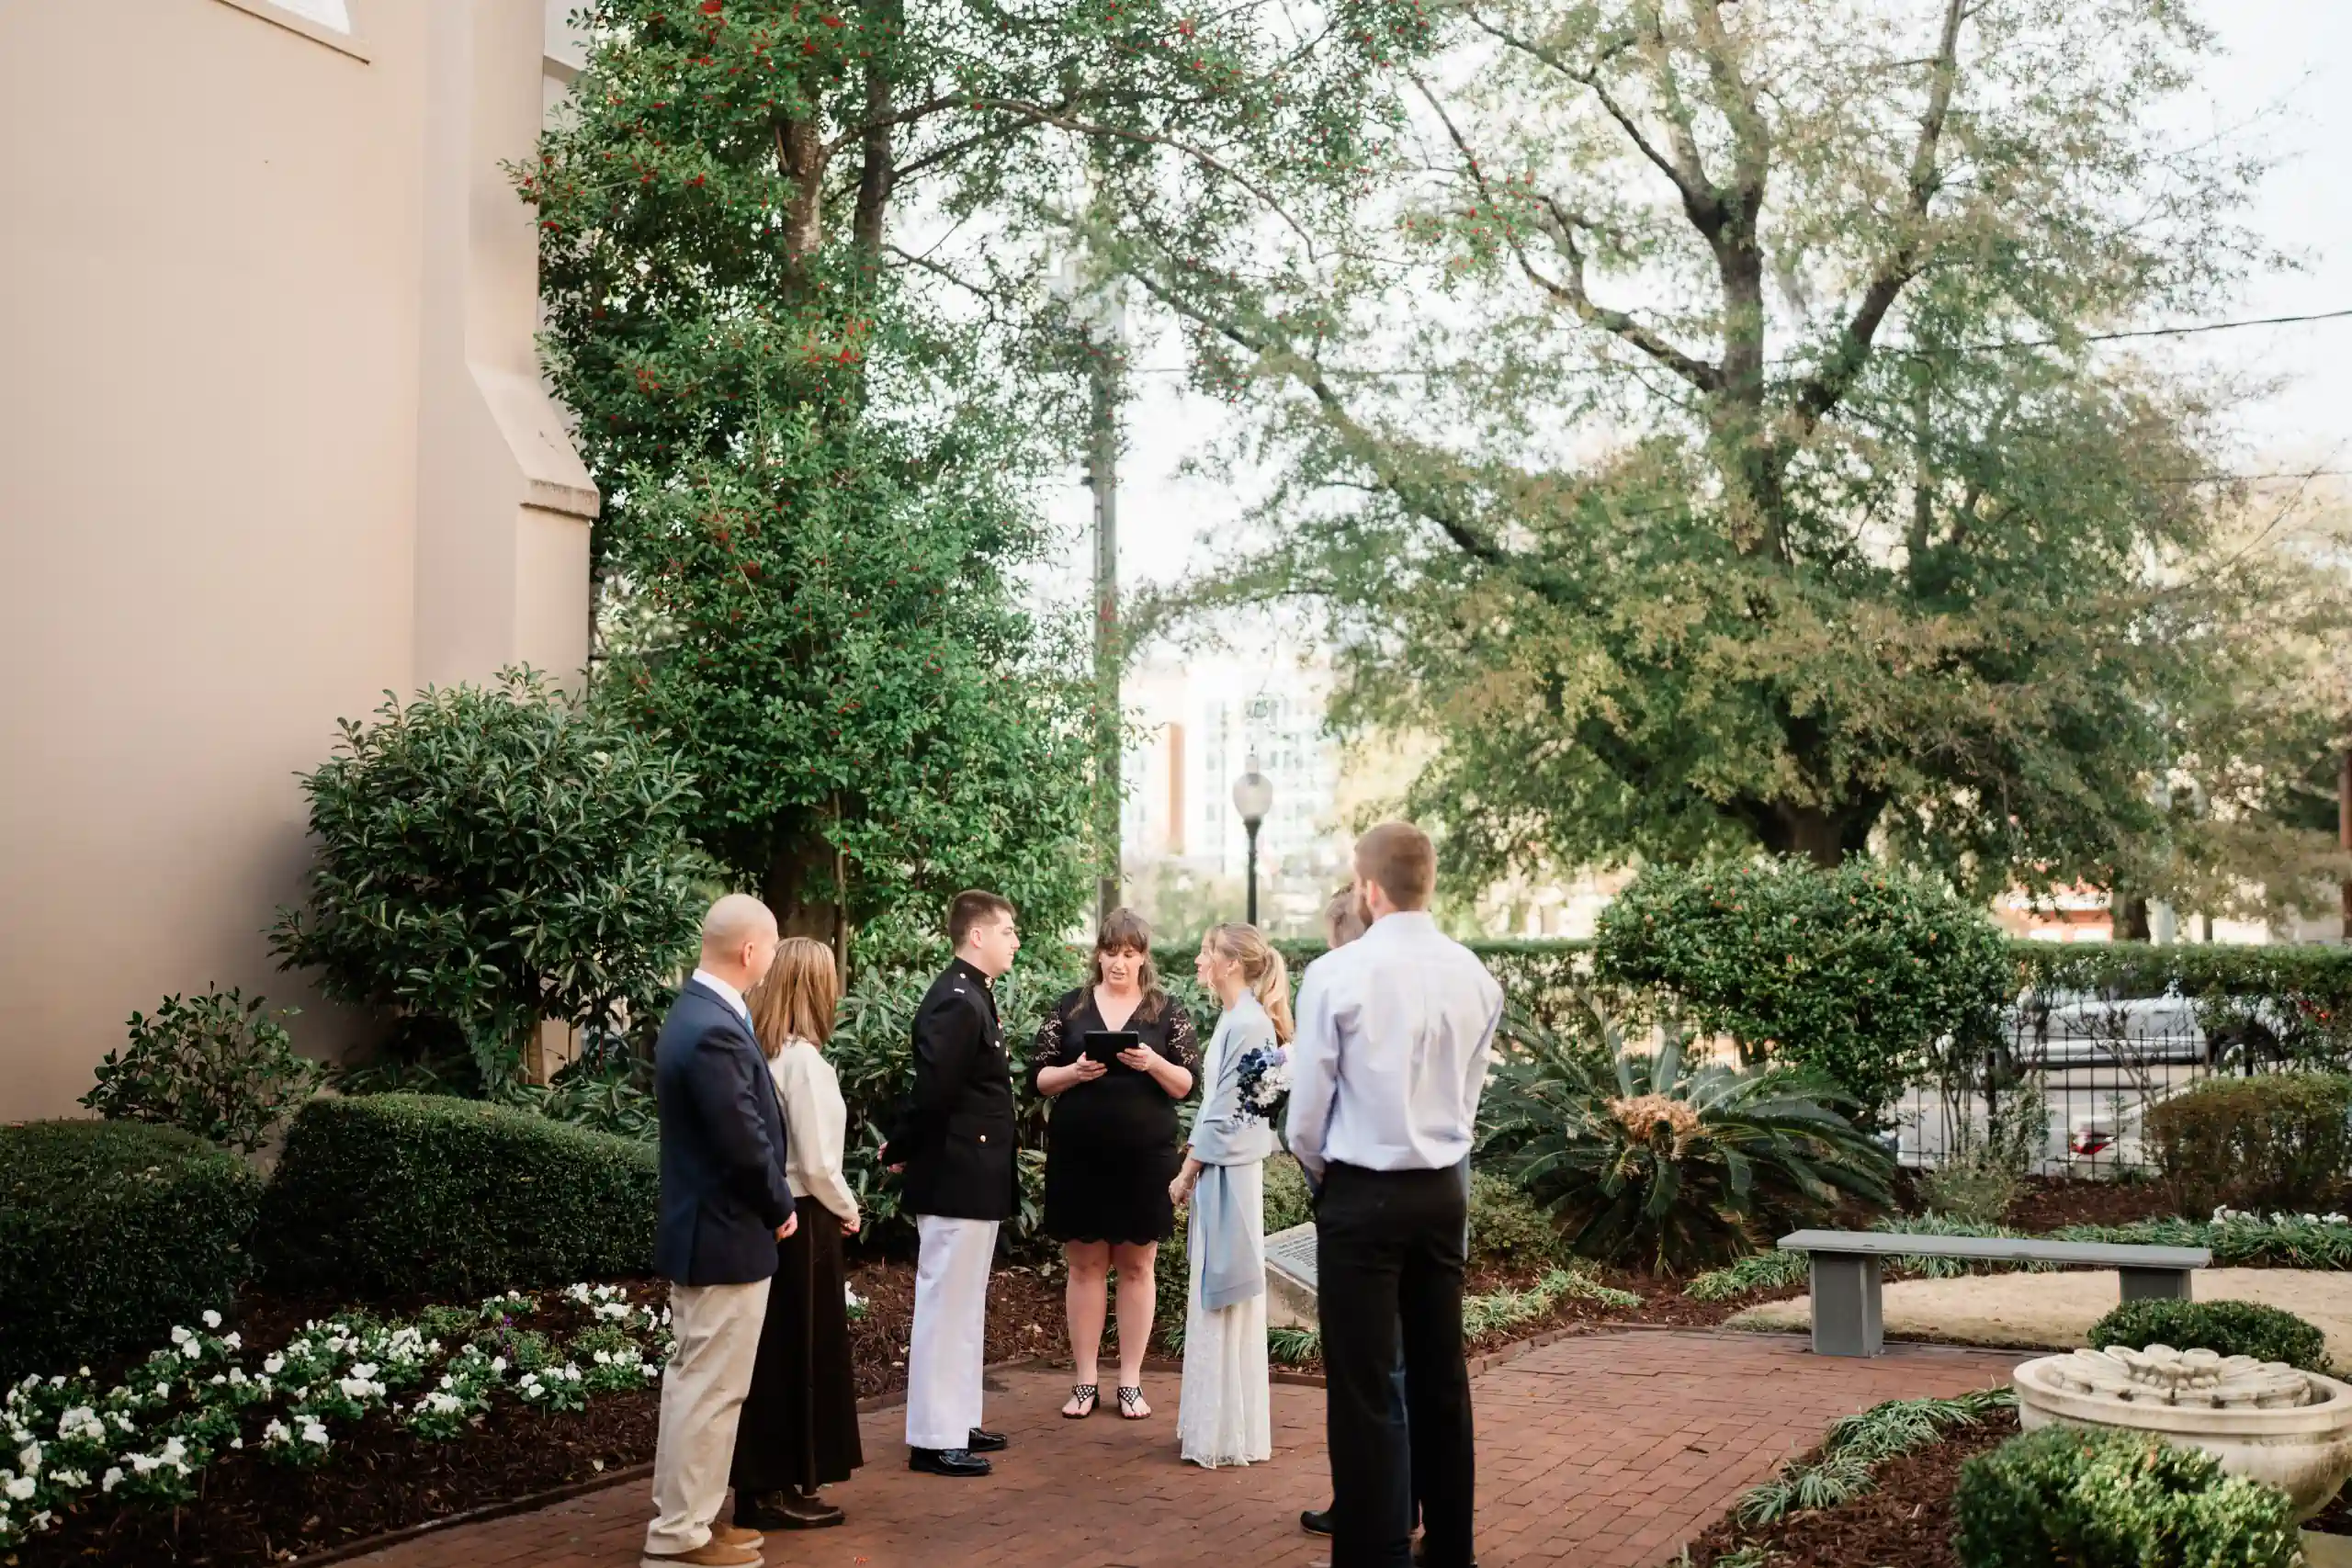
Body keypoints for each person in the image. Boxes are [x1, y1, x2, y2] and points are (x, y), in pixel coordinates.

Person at [1288, 824, 1503, 1568]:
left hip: (1361, 1191)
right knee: (1442, 1377)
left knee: (1365, 1387)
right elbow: (1469, 1098)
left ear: (1369, 888)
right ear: (1427, 882)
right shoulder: (1475, 974)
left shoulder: (1337, 974)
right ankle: (1451, 1553)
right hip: (1442, 1190)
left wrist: (1326, 1177)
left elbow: (1306, 1116)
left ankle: (1376, 1556)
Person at [643, 895, 797, 1568]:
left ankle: (692, 1520)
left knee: (700, 1387)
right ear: (750, 951)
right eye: (772, 945)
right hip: (723, 1235)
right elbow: (743, 1139)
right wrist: (779, 1204)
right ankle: (679, 1535)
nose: (773, 957)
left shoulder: (698, 1013)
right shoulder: (713, 1027)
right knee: (709, 1390)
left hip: (711, 1231)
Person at [1028, 907, 1199, 1421]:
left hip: (1144, 1159)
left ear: (1143, 957)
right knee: (1084, 1266)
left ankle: (1129, 1381)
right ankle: (1085, 1381)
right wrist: (1074, 1073)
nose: (1118, 962)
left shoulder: (1166, 1011)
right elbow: (1039, 1078)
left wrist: (1153, 1062)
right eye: (1110, 952)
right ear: (1098, 955)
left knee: (1137, 1266)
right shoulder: (1070, 1007)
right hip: (1080, 1156)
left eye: (1129, 953)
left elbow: (1188, 1083)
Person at [883, 890, 1023, 1477]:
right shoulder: (956, 1001)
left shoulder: (972, 995)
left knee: (965, 1307)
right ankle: (933, 1437)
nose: (1016, 941)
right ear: (977, 935)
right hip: (955, 1174)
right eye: (1008, 931)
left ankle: (958, 1420)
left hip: (973, 1175)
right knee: (945, 1306)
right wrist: (903, 1146)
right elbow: (934, 1093)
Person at [729, 938, 865, 1531]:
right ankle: (771, 1488)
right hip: (805, 1216)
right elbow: (817, 1163)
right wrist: (849, 1207)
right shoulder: (803, 1062)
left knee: (778, 1352)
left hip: (780, 1215)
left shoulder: (766, 1053)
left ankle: (775, 1481)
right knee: (798, 1353)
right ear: (814, 987)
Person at [1170, 921, 1290, 1468]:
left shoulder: (1247, 1022)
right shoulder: (1238, 1018)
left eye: (1207, 952)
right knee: (1216, 1286)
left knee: (1224, 1285)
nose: (1200, 960)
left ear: (1232, 963)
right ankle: (1215, 1424)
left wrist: (1187, 1171)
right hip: (1227, 1167)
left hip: (1230, 1173)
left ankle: (1225, 1432)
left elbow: (1229, 1109)